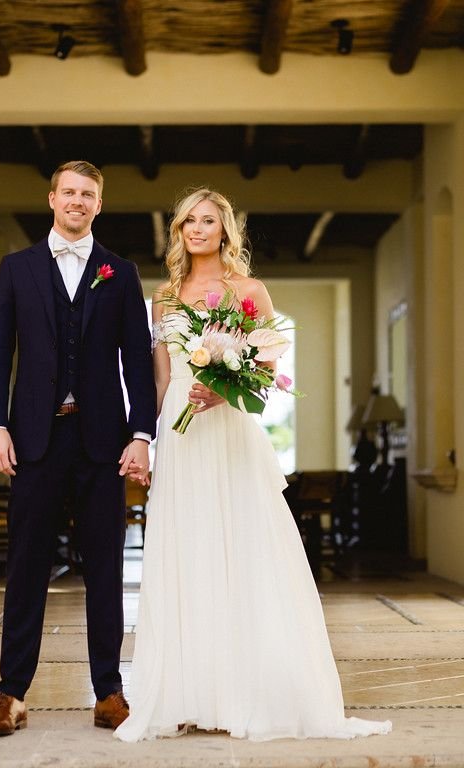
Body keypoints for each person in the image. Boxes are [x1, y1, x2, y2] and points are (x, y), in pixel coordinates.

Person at [114, 188, 392, 742]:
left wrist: (224, 390)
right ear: (179, 231)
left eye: (208, 220)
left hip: (229, 431)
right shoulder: (164, 300)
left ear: (224, 231)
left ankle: (245, 692)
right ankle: (188, 695)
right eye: (188, 220)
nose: (197, 229)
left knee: (241, 551)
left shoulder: (250, 292)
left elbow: (262, 381)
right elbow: (160, 381)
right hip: (180, 432)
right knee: (187, 553)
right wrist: (145, 438)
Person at [0, 160, 156, 737]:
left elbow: (137, 359)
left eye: (89, 194)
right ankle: (12, 695)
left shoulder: (121, 272)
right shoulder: (17, 269)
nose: (78, 201)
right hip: (33, 439)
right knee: (26, 565)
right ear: (52, 198)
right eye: (69, 192)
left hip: (103, 443)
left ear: (98, 205)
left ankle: (109, 690)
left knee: (105, 566)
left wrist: (140, 434)